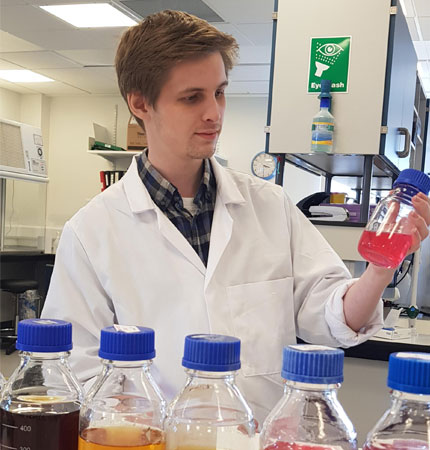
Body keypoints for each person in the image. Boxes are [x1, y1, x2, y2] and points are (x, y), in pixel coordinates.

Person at [42, 10, 430, 420]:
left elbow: (333, 319)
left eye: (220, 93)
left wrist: (382, 268)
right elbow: (70, 372)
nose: (214, 113)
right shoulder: (92, 231)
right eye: (192, 97)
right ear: (141, 104)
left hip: (263, 438)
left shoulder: (270, 207)